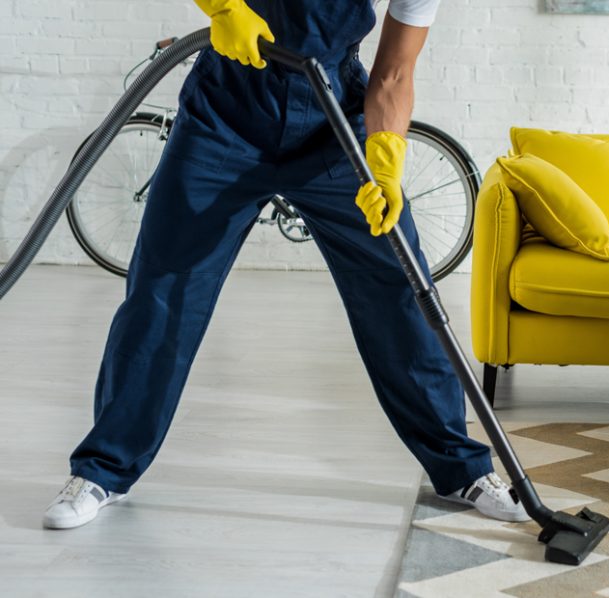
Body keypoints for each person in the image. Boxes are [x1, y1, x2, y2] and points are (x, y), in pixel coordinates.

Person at [42, 0, 528, 529]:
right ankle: (104, 469)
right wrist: (223, 6)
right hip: (224, 115)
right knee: (164, 290)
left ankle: (461, 470)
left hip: (332, 120)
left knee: (398, 288)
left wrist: (385, 157)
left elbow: (394, 71)